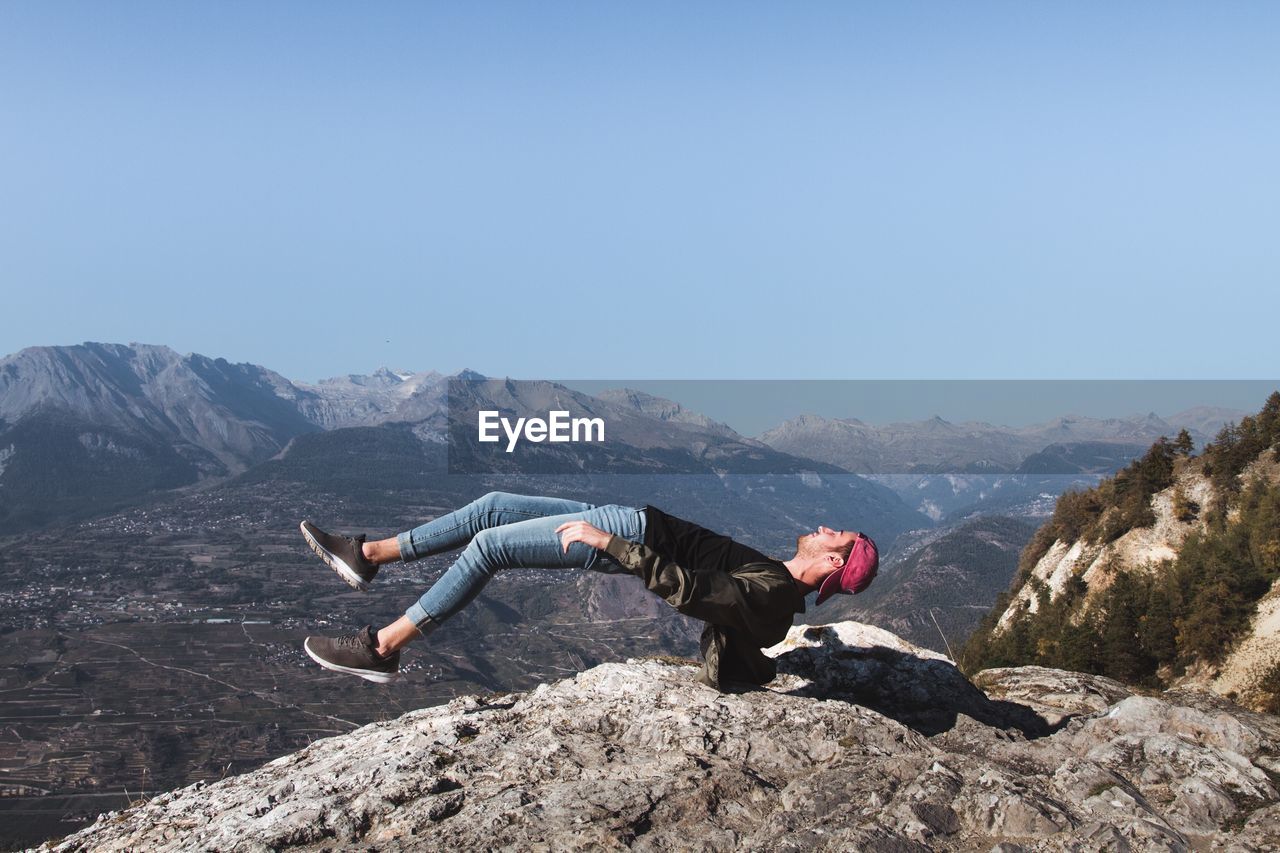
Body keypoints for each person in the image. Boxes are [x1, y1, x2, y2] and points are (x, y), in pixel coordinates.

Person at [300, 491, 878, 690]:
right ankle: (368, 556)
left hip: (625, 535)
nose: (825, 527)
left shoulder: (774, 595)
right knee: (495, 505)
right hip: (632, 522)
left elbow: (691, 589)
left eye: (836, 535)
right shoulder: (778, 582)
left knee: (490, 547)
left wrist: (609, 543)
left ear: (833, 559)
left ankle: (383, 648)